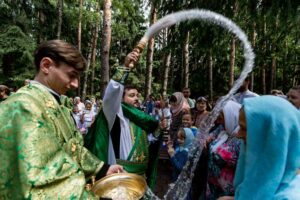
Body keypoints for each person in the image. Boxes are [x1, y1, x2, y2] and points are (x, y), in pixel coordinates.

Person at [0, 40, 122, 199]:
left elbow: (71, 147)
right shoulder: (23, 107)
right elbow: (42, 183)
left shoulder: (53, 104)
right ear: (46, 65)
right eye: (71, 75)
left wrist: (102, 169)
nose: (75, 84)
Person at [85, 51, 165, 189]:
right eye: (131, 95)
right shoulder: (116, 115)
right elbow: (111, 96)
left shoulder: (141, 119)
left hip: (140, 181)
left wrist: (158, 131)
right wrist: (125, 67)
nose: (136, 98)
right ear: (121, 99)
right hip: (120, 180)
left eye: (137, 95)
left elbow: (148, 146)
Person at [218, 96, 300, 200]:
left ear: (271, 136)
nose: (238, 134)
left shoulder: (290, 196)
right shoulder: (272, 176)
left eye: (244, 128)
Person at [206, 100, 241, 200]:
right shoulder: (223, 130)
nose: (218, 121)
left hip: (229, 194)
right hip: (213, 188)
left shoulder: (242, 138)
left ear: (231, 116)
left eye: (221, 118)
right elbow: (207, 137)